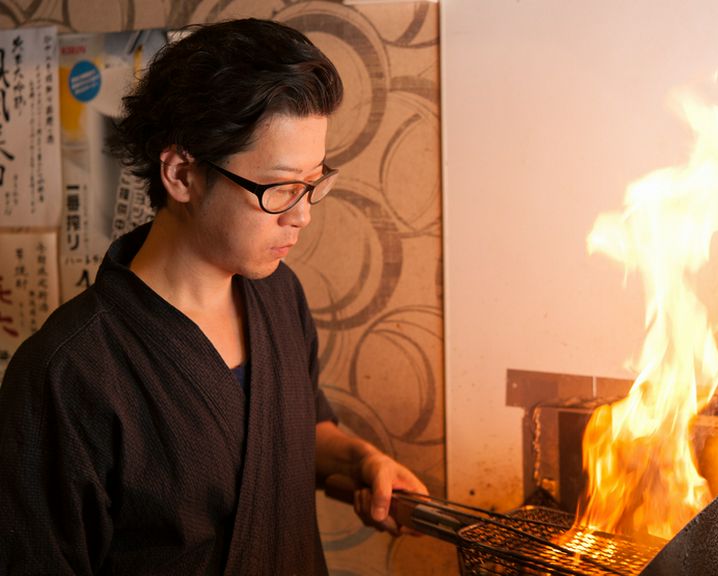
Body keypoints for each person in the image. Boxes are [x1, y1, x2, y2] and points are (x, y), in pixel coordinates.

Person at [0, 18, 427, 575]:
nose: (301, 215)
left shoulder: (279, 297)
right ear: (181, 174)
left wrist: (361, 458)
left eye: (314, 183)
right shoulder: (66, 372)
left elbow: (291, 431)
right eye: (278, 188)